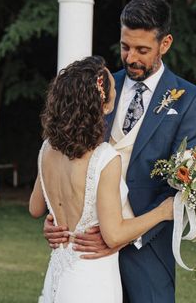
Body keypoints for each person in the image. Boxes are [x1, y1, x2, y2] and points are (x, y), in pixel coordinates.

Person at [44, 0, 196, 302]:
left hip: (147, 254)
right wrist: (58, 216)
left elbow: (185, 180)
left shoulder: (190, 99)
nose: (131, 57)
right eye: (125, 46)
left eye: (142, 50)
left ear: (165, 43)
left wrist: (122, 236)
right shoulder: (101, 86)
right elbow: (69, 152)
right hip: (86, 253)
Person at [30, 56, 174, 303]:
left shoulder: (47, 149)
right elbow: (114, 235)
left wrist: (56, 220)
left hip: (58, 275)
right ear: (104, 105)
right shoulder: (104, 158)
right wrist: (163, 212)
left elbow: (35, 208)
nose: (117, 90)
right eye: (114, 88)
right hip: (92, 280)